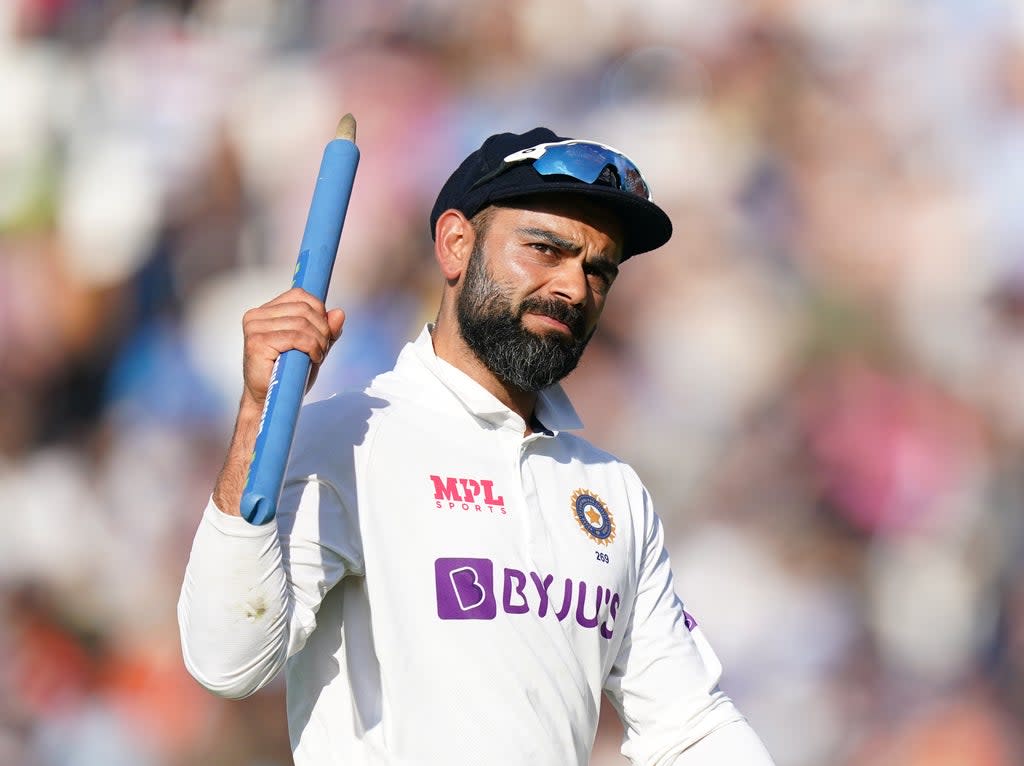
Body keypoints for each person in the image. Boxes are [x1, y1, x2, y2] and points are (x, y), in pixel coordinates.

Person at [178, 127, 775, 765]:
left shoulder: (611, 490)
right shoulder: (351, 437)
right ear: (456, 243)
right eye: (546, 249)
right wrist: (254, 414)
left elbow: (689, 727)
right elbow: (226, 659)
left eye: (598, 270)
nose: (574, 288)